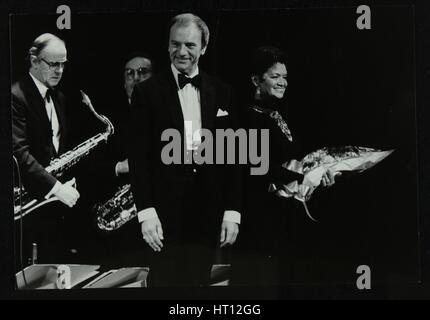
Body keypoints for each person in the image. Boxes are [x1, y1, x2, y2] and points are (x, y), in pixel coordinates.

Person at [129, 13, 241, 286]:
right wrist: (146, 213)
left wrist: (232, 212)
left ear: (203, 47)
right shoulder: (146, 93)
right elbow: (139, 159)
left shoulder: (223, 92)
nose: (181, 52)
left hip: (208, 212)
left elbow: (235, 158)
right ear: (167, 45)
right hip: (163, 215)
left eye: (190, 45)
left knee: (199, 284)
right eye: (175, 44)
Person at [230, 46, 337, 286]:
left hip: (283, 220)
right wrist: (302, 179)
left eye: (285, 77)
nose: (283, 82)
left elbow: (293, 162)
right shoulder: (250, 116)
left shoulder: (275, 114)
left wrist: (318, 172)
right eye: (275, 76)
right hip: (260, 222)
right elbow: (260, 168)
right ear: (256, 80)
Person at [12, 33, 80, 264]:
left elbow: (56, 150)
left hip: (51, 210)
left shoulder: (58, 97)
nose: (59, 70)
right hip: (25, 209)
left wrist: (65, 180)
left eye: (63, 64)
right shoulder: (15, 96)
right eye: (53, 64)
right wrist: (57, 188)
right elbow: (19, 154)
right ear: (34, 60)